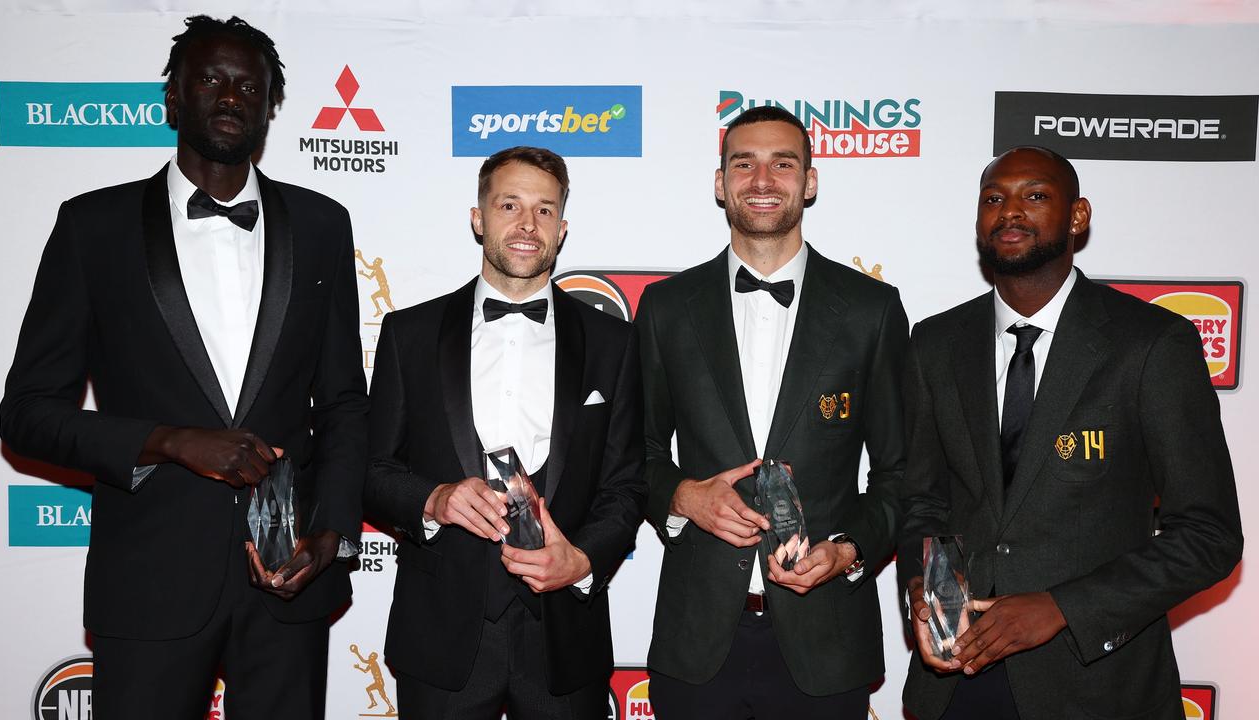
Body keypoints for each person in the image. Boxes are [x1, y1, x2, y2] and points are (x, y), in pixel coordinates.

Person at [0, 15, 368, 719]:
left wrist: (332, 535)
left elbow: (346, 402)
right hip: (148, 580)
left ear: (269, 109)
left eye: (249, 86)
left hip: (289, 581)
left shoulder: (323, 225)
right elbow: (27, 415)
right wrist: (170, 441)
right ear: (174, 97)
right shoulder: (92, 228)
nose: (230, 96)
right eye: (210, 79)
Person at [899, 146, 1243, 720]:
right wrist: (927, 588)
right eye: (993, 199)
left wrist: (1062, 608)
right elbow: (923, 502)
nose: (1010, 212)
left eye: (1035, 196)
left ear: (1078, 216)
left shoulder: (1151, 344)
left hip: (1096, 686)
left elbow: (1209, 534)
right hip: (958, 683)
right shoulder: (935, 343)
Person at [637, 105, 909, 718]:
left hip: (827, 638)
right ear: (719, 183)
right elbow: (637, 454)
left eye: (783, 164)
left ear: (810, 182)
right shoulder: (665, 307)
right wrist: (683, 497)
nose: (763, 180)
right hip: (696, 639)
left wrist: (848, 550)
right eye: (744, 163)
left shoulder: (872, 310)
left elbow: (901, 474)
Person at [362, 145, 645, 719]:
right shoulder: (408, 334)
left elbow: (628, 485)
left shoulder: (613, 344)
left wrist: (583, 559)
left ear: (562, 229)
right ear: (478, 218)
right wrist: (433, 499)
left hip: (566, 634)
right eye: (509, 204)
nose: (526, 224)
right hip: (443, 636)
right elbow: (369, 469)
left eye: (544, 210)